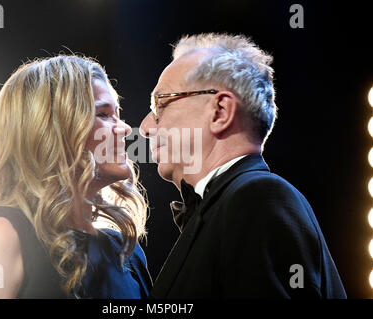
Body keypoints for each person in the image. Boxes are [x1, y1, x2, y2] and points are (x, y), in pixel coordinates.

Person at [140, 33, 346, 298]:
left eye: (160, 103)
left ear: (221, 112)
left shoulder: (257, 199)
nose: (145, 127)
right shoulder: (233, 203)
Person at [0, 55, 152, 298]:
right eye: (103, 114)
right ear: (51, 131)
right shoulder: (2, 233)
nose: (124, 128)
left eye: (117, 113)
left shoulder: (126, 252)